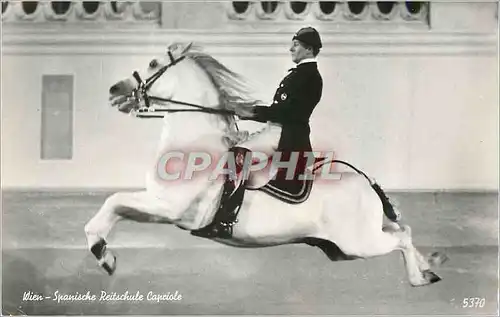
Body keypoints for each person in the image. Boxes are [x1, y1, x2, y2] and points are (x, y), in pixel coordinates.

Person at [191, 26, 324, 239]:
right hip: (276, 128)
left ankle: (225, 221)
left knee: (238, 154)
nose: (291, 48)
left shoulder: (309, 77)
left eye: (296, 45)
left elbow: (288, 112)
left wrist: (251, 112)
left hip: (287, 133)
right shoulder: (300, 74)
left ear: (308, 50)